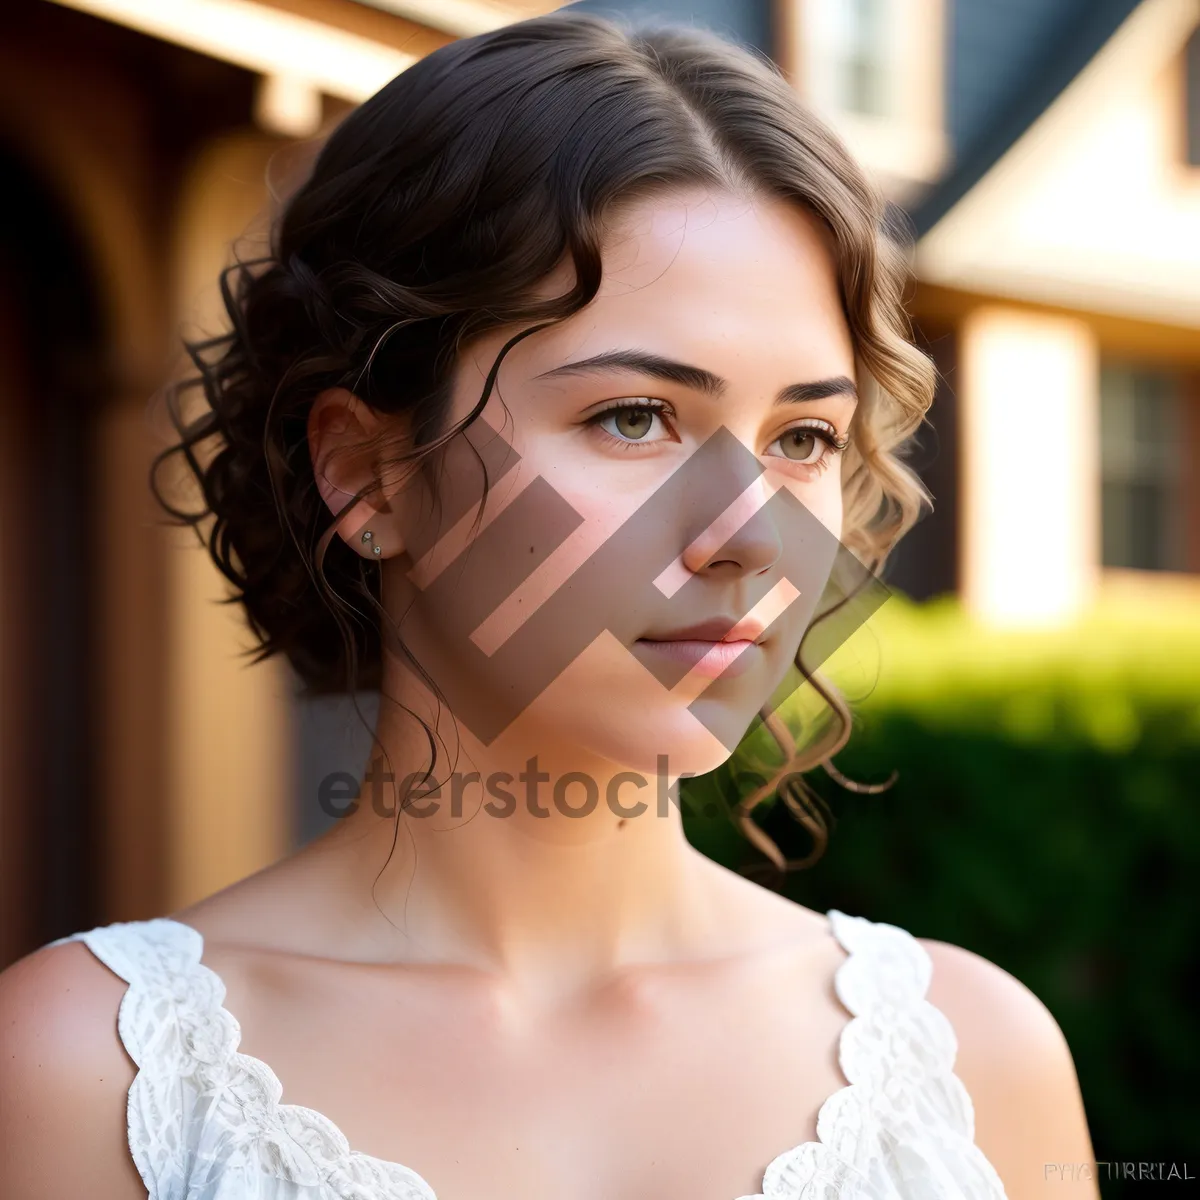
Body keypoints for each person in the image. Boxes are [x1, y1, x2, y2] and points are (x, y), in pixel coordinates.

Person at [0, 10, 1098, 1199]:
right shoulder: (86, 1079)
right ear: (368, 471)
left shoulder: (981, 1064)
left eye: (802, 436)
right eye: (634, 418)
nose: (746, 538)